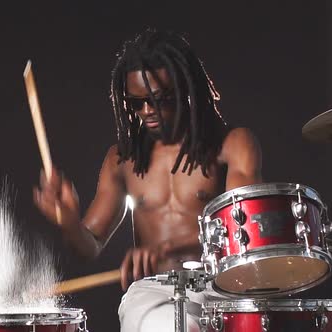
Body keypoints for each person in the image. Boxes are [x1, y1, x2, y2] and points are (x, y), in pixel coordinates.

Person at [33, 28, 262, 331]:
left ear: (186, 90)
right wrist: (69, 222)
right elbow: (89, 245)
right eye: (136, 102)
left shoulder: (232, 144)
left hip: (219, 287)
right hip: (155, 291)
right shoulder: (123, 159)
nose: (146, 111)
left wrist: (168, 248)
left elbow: (242, 231)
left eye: (158, 100)